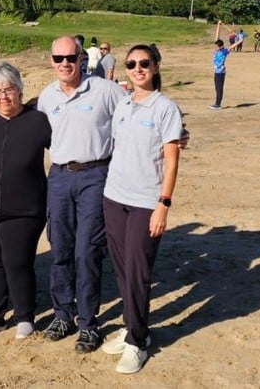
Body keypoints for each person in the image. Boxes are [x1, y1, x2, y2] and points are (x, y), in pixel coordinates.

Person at [36, 36, 127, 353]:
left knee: (87, 251)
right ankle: (63, 315)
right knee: (60, 247)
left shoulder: (105, 90)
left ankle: (88, 324)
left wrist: (173, 132)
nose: (64, 64)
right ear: (51, 61)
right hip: (59, 176)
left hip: (95, 175)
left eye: (70, 58)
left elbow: (133, 115)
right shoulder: (47, 97)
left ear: (81, 59)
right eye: (58, 58)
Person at [100, 44, 182, 374]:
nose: (138, 68)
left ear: (156, 66)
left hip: (146, 201)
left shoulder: (166, 108)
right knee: (121, 268)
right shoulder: (123, 104)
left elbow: (173, 160)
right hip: (114, 196)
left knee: (138, 270)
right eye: (132, 64)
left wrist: (163, 204)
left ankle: (138, 342)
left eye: (144, 63)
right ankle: (132, 325)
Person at [0, 62, 52, 341]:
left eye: (10, 90)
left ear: (20, 90)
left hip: (26, 207)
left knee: (17, 261)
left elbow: (73, 143)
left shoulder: (38, 121)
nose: (4, 96)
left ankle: (25, 315)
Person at [209, 39, 229, 110]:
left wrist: (240, 40)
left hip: (220, 72)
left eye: (216, 47)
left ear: (220, 46)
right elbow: (216, 37)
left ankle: (218, 104)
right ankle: (217, 103)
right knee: (217, 88)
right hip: (216, 72)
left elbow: (232, 46)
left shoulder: (223, 52)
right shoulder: (216, 51)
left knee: (219, 88)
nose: (215, 48)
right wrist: (218, 27)